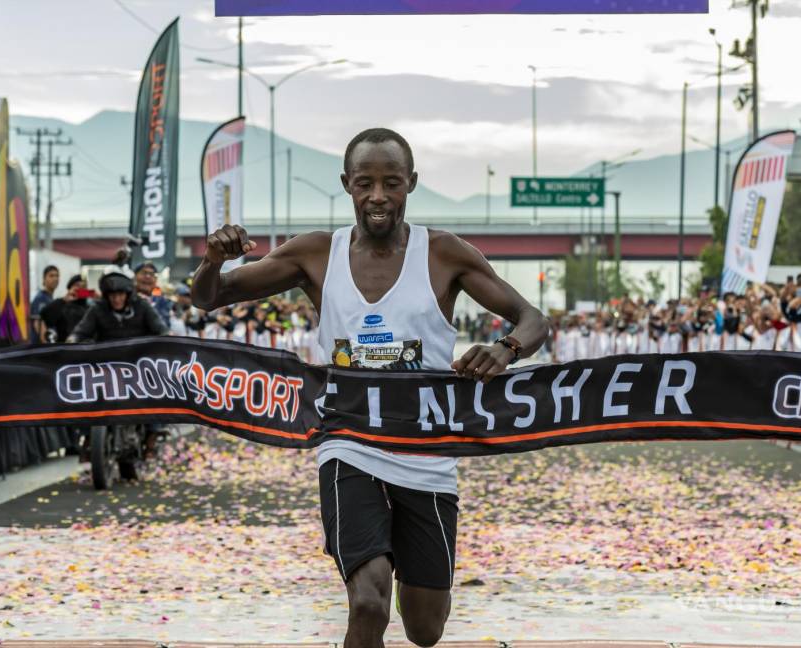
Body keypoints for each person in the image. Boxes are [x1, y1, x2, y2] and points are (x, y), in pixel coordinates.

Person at [191, 127, 547, 648]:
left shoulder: (444, 253)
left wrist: (506, 348)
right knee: (368, 600)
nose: (378, 196)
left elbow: (531, 317)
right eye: (365, 183)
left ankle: (403, 551)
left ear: (411, 184)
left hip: (426, 451)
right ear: (347, 185)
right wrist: (213, 259)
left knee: (425, 628)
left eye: (391, 183)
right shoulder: (316, 253)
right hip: (347, 443)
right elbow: (210, 297)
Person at [67, 271, 168, 343]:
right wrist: (72, 339)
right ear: (106, 295)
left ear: (128, 294)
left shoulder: (142, 305)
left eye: (120, 294)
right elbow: (80, 332)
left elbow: (161, 329)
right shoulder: (97, 308)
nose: (116, 299)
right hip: (107, 363)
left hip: (139, 361)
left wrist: (169, 338)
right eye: (112, 295)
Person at [40, 274, 93, 344]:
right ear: (70, 288)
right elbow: (44, 314)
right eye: (77, 286)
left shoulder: (90, 307)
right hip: (66, 348)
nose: (81, 289)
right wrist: (64, 300)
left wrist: (92, 294)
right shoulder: (62, 304)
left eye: (84, 286)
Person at [30, 265, 59, 343]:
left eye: (57, 275)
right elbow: (38, 323)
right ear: (44, 279)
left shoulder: (50, 299)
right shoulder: (41, 298)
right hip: (42, 349)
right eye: (51, 276)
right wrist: (47, 345)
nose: (55, 278)